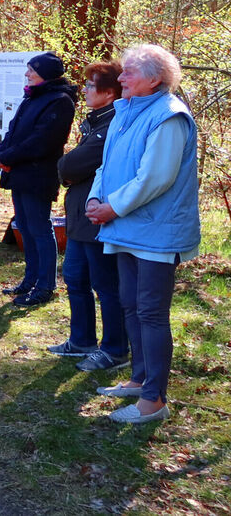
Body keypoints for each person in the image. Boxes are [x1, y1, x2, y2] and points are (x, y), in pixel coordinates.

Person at [87, 44, 199, 424]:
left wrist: (112, 208)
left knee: (151, 312)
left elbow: (155, 178)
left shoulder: (169, 115)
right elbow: (105, 166)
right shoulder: (125, 111)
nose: (120, 77)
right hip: (126, 227)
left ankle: (154, 401)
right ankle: (139, 380)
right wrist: (95, 199)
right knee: (130, 305)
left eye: (129, 72)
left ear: (154, 79)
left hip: (156, 232)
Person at [49, 61, 127, 371]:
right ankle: (81, 340)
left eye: (91, 86)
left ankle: (115, 349)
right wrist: (68, 170)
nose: (85, 90)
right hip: (80, 218)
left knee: (105, 286)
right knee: (74, 278)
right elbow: (70, 168)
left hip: (98, 218)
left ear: (110, 93)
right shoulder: (96, 122)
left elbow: (69, 166)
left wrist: (67, 169)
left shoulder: (112, 125)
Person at [0, 51, 78, 306]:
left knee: (40, 229)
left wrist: (8, 157)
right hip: (19, 172)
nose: (27, 74)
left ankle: (45, 285)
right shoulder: (32, 96)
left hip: (38, 175)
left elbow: (42, 141)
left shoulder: (60, 101)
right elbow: (13, 131)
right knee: (24, 226)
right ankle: (30, 279)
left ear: (45, 74)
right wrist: (1, 153)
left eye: (32, 70)